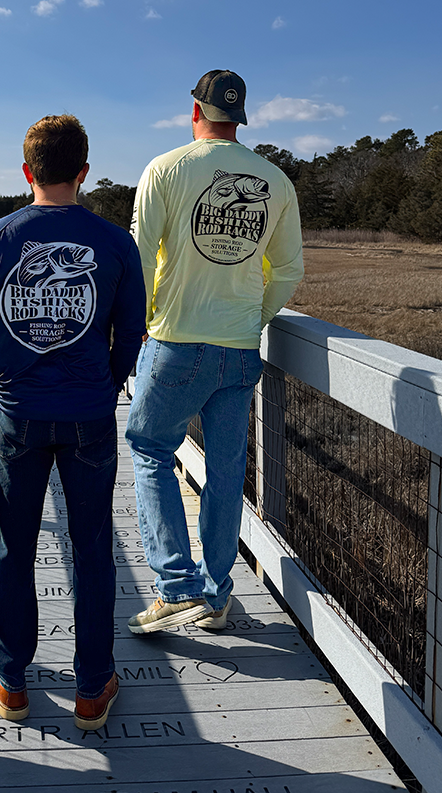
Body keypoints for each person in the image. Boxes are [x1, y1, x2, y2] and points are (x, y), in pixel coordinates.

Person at [0, 115, 146, 731]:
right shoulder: (116, 242)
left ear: (26, 171)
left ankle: (10, 679)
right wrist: (107, 382)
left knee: (16, 545)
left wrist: (6, 383)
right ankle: (93, 688)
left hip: (19, 414)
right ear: (84, 171)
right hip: (90, 414)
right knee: (93, 547)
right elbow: (131, 334)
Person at [125, 70, 303, 634]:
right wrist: (254, 316)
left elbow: (137, 254)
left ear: (193, 109)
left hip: (175, 340)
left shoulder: (166, 167)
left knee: (151, 447)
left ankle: (176, 587)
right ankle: (217, 594)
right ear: (240, 116)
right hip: (240, 347)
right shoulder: (274, 179)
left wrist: (142, 326)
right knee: (227, 471)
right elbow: (290, 268)